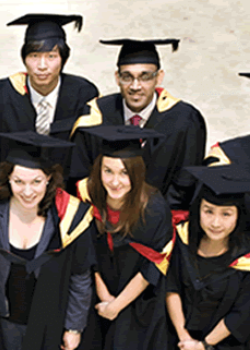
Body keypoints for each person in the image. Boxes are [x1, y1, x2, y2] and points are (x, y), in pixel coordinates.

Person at [0, 131, 95, 350]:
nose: (28, 191)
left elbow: (80, 277)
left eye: (36, 181)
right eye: (19, 181)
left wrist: (74, 328)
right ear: (8, 178)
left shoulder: (71, 217)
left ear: (48, 178)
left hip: (49, 325)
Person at [70, 39, 206, 209]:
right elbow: (80, 176)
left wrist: (155, 218)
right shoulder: (96, 115)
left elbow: (186, 182)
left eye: (145, 77)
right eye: (127, 77)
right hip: (104, 218)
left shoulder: (184, 120)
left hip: (163, 220)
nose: (135, 86)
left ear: (159, 77)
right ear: (117, 78)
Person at [75, 126, 173, 349]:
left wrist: (116, 305)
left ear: (137, 173)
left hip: (138, 299)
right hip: (96, 292)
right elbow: (85, 251)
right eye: (108, 171)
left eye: (124, 172)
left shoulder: (154, 208)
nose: (115, 181)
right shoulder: (87, 196)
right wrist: (103, 294)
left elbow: (154, 264)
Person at [0, 14, 99, 189]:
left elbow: (88, 155)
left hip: (67, 193)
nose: (42, 66)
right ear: (24, 59)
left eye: (51, 56)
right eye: (34, 56)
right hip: (15, 192)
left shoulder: (83, 94)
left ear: (64, 59)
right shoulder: (2, 94)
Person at [167, 165, 250, 350]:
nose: (215, 222)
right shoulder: (184, 239)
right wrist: (184, 338)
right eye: (208, 211)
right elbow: (171, 287)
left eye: (226, 214)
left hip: (224, 344)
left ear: (238, 216)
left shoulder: (246, 258)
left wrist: (203, 346)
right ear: (198, 210)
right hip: (178, 338)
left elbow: (242, 314)